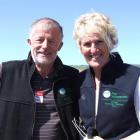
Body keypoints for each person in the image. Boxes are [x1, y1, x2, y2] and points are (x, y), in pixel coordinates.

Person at [0, 18, 79, 140]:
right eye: (39, 40)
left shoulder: (72, 76)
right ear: (29, 42)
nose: (45, 46)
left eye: (52, 41)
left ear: (60, 46)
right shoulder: (6, 72)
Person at [73, 12, 140, 140]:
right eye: (87, 44)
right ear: (80, 48)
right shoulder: (79, 80)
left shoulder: (134, 77)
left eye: (99, 42)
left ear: (110, 43)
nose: (93, 50)